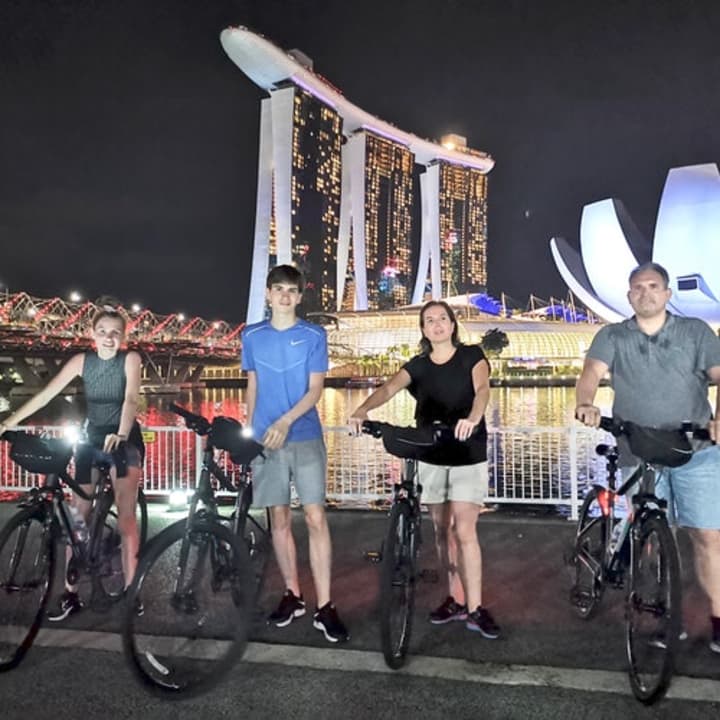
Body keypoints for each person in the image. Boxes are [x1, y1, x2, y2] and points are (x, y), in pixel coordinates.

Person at [576, 262, 720, 653]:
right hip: (638, 450)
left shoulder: (695, 332)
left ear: (668, 294)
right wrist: (586, 403)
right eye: (638, 288)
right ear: (628, 296)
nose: (646, 294)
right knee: (653, 538)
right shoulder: (613, 335)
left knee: (708, 537)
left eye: (654, 287)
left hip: (696, 450)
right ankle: (664, 614)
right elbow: (590, 373)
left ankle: (718, 620)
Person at [348, 300, 500, 638]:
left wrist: (473, 418)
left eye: (442, 319)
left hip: (466, 453)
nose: (436, 325)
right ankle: (454, 599)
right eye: (429, 320)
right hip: (431, 453)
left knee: (465, 531)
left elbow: (482, 390)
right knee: (442, 532)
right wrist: (362, 410)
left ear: (452, 324)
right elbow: (388, 388)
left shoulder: (471, 356)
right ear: (423, 329)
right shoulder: (417, 365)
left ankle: (475, 607)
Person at [0, 298, 144, 620]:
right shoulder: (82, 361)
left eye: (115, 333)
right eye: (103, 331)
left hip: (124, 440)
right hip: (92, 439)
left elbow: (132, 397)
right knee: (78, 513)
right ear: (92, 333)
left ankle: (133, 592)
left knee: (125, 517)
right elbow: (46, 393)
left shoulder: (129, 359)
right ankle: (70, 593)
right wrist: (9, 421)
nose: (109, 338)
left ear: (123, 336)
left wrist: (121, 431)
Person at [241, 264, 349, 643]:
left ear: (300, 296)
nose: (285, 296)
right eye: (278, 289)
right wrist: (250, 431)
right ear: (268, 294)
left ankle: (326, 605)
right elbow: (252, 386)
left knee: (316, 517)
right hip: (266, 441)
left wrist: (285, 421)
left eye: (292, 290)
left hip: (302, 434)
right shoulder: (251, 336)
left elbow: (315, 390)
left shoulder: (313, 335)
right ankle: (293, 594)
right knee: (279, 520)